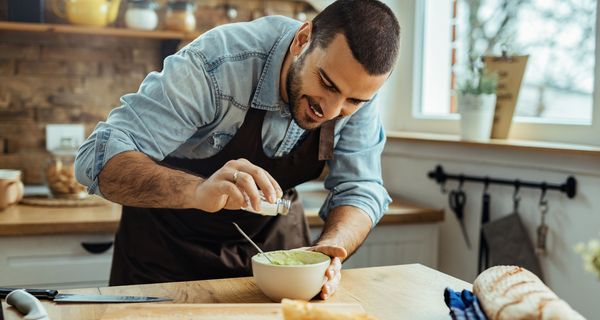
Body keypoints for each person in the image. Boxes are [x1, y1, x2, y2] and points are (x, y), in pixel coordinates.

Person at [74, 0, 400, 300]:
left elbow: (360, 189)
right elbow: (96, 157)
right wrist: (198, 190)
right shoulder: (218, 64)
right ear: (303, 40)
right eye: (327, 85)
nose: (332, 110)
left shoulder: (354, 87)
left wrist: (331, 249)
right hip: (165, 258)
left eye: (354, 101)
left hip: (273, 260)